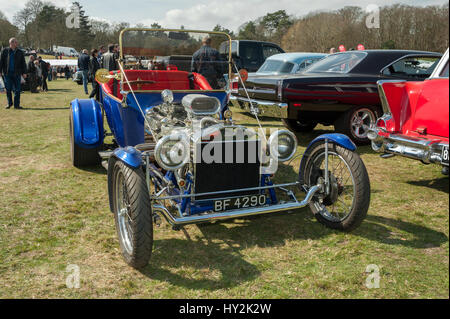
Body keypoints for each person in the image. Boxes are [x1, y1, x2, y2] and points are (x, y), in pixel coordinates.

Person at [0, 37, 28, 109]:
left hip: (17, 73)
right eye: (14, 42)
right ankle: (9, 103)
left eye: (16, 42)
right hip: (7, 74)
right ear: (11, 43)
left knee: (17, 90)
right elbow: (1, 62)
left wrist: (24, 72)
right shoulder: (4, 51)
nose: (16, 43)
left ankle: (16, 105)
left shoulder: (20, 52)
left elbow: (23, 63)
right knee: (8, 89)